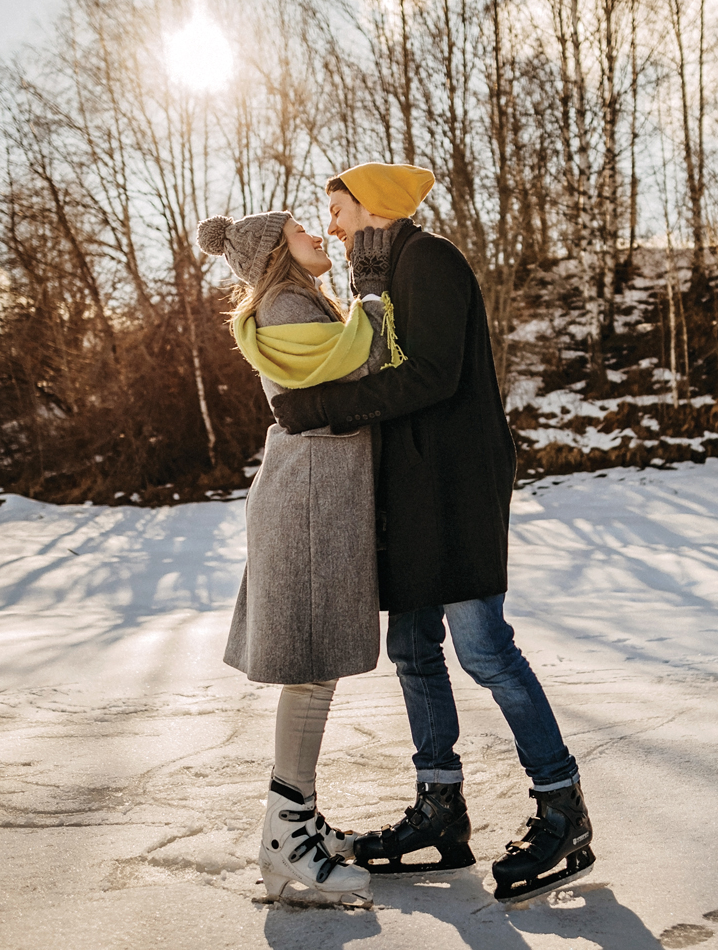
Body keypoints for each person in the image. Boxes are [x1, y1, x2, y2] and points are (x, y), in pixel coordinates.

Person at [270, 162, 596, 903]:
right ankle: (440, 810)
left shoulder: (433, 260)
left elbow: (433, 376)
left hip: (456, 486)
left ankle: (561, 806)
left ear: (375, 207)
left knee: (484, 647)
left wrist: (321, 407)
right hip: (410, 493)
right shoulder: (382, 281)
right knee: (413, 646)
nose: (332, 227)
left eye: (339, 210)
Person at [196, 208, 401, 908]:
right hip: (309, 500)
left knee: (316, 671)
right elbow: (367, 362)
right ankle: (286, 832)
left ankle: (295, 822)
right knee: (311, 671)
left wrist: (362, 297)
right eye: (300, 232)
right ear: (275, 254)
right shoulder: (285, 307)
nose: (318, 235)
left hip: (318, 494)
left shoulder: (304, 301)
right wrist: (373, 288)